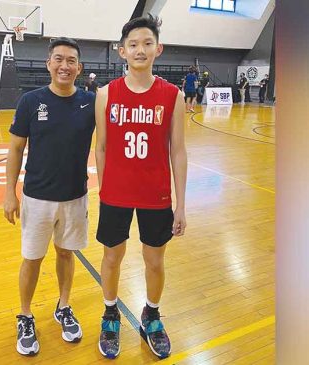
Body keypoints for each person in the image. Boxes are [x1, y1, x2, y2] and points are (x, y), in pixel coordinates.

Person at [94, 13, 187, 360]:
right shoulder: (106, 95)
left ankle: (151, 313)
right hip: (115, 195)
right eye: (133, 44)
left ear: (158, 48)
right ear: (122, 51)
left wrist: (181, 203)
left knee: (154, 260)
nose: (140, 49)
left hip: (156, 195)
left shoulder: (172, 95)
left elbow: (177, 151)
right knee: (112, 257)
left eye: (147, 43)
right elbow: (101, 148)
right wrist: (106, 191)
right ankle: (110, 313)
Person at [3, 37, 95, 356]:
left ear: (79, 68)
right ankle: (25, 315)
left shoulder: (90, 102)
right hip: (37, 197)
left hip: (75, 197)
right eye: (58, 59)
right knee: (32, 258)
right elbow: (15, 149)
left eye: (71, 61)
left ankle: (64, 307)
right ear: (48, 64)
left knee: (66, 254)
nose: (64, 66)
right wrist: (9, 194)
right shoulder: (30, 101)